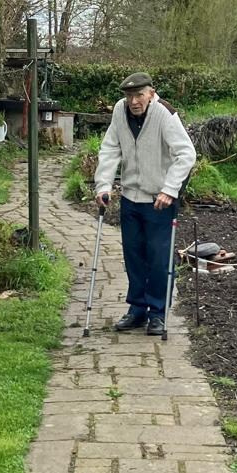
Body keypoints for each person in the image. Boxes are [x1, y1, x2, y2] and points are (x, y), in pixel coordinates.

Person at [94, 72, 197, 334]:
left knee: (159, 258)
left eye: (139, 95)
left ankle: (158, 313)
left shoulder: (164, 113)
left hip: (158, 202)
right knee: (134, 257)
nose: (134, 101)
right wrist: (103, 185)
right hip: (130, 197)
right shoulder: (120, 111)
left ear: (151, 93)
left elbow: (186, 154)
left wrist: (170, 189)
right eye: (129, 96)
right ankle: (137, 310)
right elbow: (110, 148)